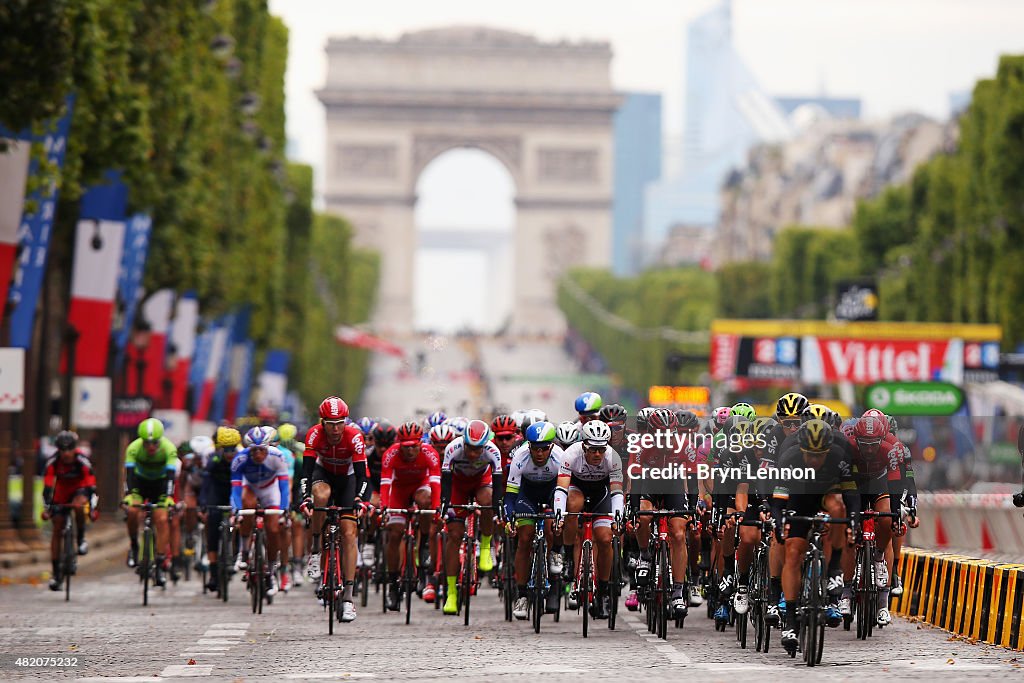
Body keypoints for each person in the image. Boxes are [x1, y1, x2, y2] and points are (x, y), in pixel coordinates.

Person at [299, 396, 367, 623]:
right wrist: (305, 498)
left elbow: (362, 476)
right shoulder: (314, 435)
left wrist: (359, 499)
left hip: (347, 479)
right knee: (320, 495)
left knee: (349, 534)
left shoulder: (355, 437)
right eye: (331, 423)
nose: (336, 429)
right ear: (322, 422)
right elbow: (306, 473)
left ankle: (347, 597)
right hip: (324, 475)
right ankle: (316, 549)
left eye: (340, 423)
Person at [553, 419, 623, 619]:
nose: (597, 454)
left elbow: (617, 491)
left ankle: (602, 591)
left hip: (602, 493)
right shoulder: (571, 454)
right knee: (572, 505)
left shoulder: (613, 457)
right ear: (584, 445)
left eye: (601, 450)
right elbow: (561, 488)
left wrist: (617, 515)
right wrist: (560, 513)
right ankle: (567, 556)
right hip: (577, 489)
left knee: (604, 539)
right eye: (593, 450)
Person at [439, 419, 503, 615]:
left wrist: (497, 507)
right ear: (463, 441)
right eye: (470, 448)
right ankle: (451, 593)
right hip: (457, 485)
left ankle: (485, 546)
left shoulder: (493, 451)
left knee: (488, 501)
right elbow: (446, 483)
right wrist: (444, 505)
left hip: (481, 482)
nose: (474, 453)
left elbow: (498, 484)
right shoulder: (453, 449)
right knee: (454, 535)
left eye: (478, 449)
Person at [503, 421, 565, 619]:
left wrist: (559, 515)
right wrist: (510, 519)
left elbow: (563, 493)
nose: (539, 453)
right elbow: (511, 496)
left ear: (552, 447)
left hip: (552, 493)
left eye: (544, 449)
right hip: (527, 495)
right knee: (524, 538)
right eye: (535, 449)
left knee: (551, 527)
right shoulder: (520, 457)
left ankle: (555, 557)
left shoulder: (560, 458)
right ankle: (521, 596)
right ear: (528, 446)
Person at [379, 422, 441, 610]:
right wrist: (383, 507)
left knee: (426, 500)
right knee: (395, 533)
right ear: (399, 444)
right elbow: (385, 483)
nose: (411, 451)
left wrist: (437, 509)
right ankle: (392, 584)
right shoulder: (390, 454)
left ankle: (423, 547)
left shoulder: (430, 453)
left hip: (420, 486)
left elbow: (436, 483)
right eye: (406, 447)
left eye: (415, 446)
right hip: (399, 490)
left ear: (421, 443)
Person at [231, 426, 290, 596]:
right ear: (248, 449)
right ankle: (244, 551)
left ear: (268, 447)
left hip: (270, 490)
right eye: (254, 451)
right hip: (250, 488)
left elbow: (284, 487)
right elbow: (235, 489)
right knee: (246, 507)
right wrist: (237, 510)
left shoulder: (277, 457)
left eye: (262, 450)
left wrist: (283, 509)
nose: (258, 455)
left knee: (273, 530)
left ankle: (271, 571)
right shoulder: (240, 458)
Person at [123, 418, 179, 587]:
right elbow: (129, 475)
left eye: (155, 442)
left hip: (161, 485)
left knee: (162, 519)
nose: (151, 447)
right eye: (147, 443)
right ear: (142, 441)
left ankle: (160, 563)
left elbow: (170, 477)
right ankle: (134, 546)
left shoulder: (169, 448)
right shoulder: (133, 448)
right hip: (140, 483)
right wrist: (130, 495)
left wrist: (169, 496)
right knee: (132, 511)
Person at [42, 431, 98, 591]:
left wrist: (92, 508)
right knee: (57, 528)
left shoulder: (82, 461)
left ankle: (81, 538)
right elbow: (47, 486)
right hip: (61, 492)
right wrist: (48, 508)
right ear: (58, 449)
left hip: (80, 489)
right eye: (62, 449)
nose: (66, 453)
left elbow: (91, 484)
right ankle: (55, 573)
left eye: (70, 449)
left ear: (75, 448)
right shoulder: (53, 462)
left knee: (78, 506)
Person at [199, 427, 241, 594]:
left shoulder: (242, 458)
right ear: (220, 448)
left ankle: (237, 555)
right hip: (217, 494)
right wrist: (203, 503)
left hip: (235, 492)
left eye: (233, 449)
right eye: (226, 450)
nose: (230, 453)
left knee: (241, 523)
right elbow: (206, 484)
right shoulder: (214, 460)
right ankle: (214, 573)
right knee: (212, 528)